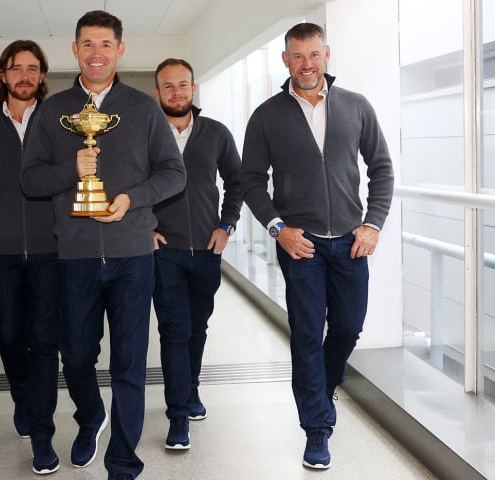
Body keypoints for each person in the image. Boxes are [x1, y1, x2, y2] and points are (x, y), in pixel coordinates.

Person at [21, 11, 186, 480]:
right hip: (73, 256)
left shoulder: (143, 108)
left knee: (130, 363)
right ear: (74, 49)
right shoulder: (52, 112)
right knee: (74, 354)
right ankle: (91, 416)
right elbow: (30, 180)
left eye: (106, 44)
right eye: (87, 44)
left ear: (120, 50)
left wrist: (132, 199)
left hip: (133, 254)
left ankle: (123, 463)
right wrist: (71, 171)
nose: (97, 53)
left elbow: (174, 173)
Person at [241, 22, 394, 470]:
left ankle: (323, 386)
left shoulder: (356, 106)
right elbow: (250, 181)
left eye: (313, 55)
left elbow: (381, 168)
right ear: (285, 60)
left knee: (348, 328)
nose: (306, 65)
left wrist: (373, 225)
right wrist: (277, 229)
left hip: (350, 243)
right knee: (307, 335)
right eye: (297, 56)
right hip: (300, 245)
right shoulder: (267, 115)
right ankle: (317, 429)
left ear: (326, 54)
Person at [0, 39, 60, 475]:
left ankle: (42, 433)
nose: (25, 75)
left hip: (51, 250)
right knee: (8, 336)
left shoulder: (60, 122)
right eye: (16, 68)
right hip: (1, 253)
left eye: (33, 68)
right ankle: (22, 395)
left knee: (44, 341)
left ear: (41, 77)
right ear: (3, 76)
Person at [151, 58, 243, 450]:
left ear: (193, 89)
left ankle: (191, 390)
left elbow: (238, 183)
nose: (176, 92)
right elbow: (126, 183)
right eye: (168, 86)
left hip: (207, 250)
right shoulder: (145, 134)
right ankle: (177, 416)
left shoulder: (217, 133)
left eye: (183, 85)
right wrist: (146, 227)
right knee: (174, 329)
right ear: (157, 93)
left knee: (197, 326)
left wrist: (227, 226)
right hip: (164, 251)